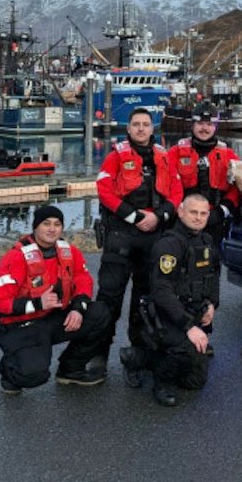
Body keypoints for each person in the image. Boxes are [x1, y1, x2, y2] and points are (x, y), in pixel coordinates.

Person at [0, 205, 111, 394]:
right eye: (46, 224)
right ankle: (9, 369)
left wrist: (78, 309)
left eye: (57, 224)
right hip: (20, 325)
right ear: (35, 227)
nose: (52, 229)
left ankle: (70, 370)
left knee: (101, 313)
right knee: (34, 375)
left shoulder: (69, 252)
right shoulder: (16, 257)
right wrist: (37, 303)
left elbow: (84, 281)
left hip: (53, 318)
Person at [95, 107, 184, 362]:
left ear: (152, 128)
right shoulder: (115, 157)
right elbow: (104, 190)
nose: (141, 129)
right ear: (129, 128)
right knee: (109, 298)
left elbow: (177, 193)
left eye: (146, 124)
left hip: (154, 234)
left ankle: (138, 353)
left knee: (145, 299)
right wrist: (133, 216)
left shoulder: (164, 157)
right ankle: (99, 354)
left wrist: (159, 216)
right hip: (121, 234)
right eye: (136, 124)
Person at [119, 194, 220, 406]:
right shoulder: (169, 244)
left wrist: (211, 304)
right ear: (181, 212)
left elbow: (213, 277)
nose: (198, 218)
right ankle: (162, 382)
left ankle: (140, 358)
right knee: (188, 350)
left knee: (195, 381)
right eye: (193, 212)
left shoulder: (207, 241)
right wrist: (188, 327)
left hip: (191, 312)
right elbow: (161, 291)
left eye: (203, 214)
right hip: (166, 316)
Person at [167, 104, 241, 252]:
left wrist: (222, 211)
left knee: (211, 263)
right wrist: (180, 210)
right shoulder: (175, 152)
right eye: (200, 123)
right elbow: (165, 184)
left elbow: (238, 189)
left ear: (215, 127)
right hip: (182, 219)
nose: (204, 128)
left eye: (209, 124)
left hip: (214, 219)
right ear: (192, 125)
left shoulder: (228, 155)